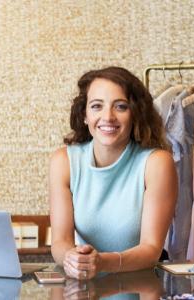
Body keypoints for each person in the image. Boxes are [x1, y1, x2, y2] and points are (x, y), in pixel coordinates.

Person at [49, 66, 177, 280]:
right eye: (97, 106)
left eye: (120, 106)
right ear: (84, 115)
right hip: (83, 291)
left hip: (140, 289)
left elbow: (151, 249)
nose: (107, 117)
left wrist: (101, 262)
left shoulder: (157, 163)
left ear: (135, 113)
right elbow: (60, 242)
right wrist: (71, 258)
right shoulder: (63, 161)